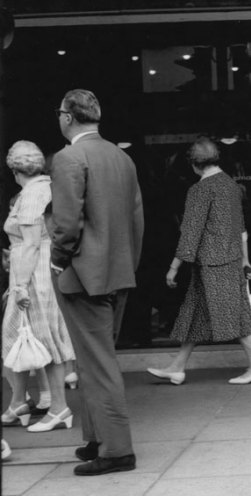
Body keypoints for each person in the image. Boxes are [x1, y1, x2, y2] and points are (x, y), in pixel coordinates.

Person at [50, 89, 144, 476]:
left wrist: (57, 261)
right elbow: (137, 219)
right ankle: (97, 438)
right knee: (97, 361)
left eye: (59, 112)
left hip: (83, 276)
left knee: (97, 364)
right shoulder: (121, 157)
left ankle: (117, 449)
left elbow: (66, 224)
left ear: (68, 117)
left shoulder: (69, 157)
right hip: (117, 271)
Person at [148, 138, 251, 385]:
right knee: (195, 315)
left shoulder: (200, 190)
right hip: (230, 258)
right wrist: (246, 259)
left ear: (193, 164)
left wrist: (173, 268)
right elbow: (240, 227)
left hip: (214, 262)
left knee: (234, 315)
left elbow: (190, 233)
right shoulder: (230, 185)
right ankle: (177, 367)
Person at [1, 141, 76, 432]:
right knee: (27, 338)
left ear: (14, 169)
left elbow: (31, 244)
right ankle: (20, 402)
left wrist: (19, 285)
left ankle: (57, 408)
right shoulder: (45, 187)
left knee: (41, 340)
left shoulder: (32, 194)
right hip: (37, 270)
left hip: (33, 275)